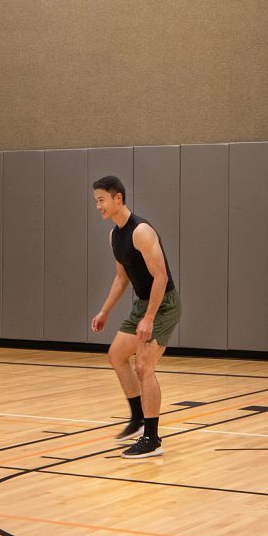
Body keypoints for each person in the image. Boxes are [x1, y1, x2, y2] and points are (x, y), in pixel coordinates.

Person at [89, 174, 180, 458]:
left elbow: (161, 277)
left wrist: (150, 317)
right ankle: (138, 420)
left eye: (101, 200)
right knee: (116, 355)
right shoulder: (114, 235)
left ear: (118, 198)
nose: (98, 206)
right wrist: (105, 311)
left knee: (143, 366)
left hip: (163, 305)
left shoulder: (141, 231)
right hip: (143, 305)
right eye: (96, 202)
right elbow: (121, 277)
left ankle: (152, 439)